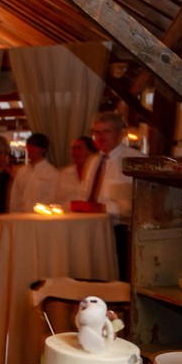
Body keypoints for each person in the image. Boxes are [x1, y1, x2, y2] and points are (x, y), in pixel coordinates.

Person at [72, 111, 134, 280]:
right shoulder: (94, 161)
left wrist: (100, 208)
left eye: (106, 131)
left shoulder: (133, 160)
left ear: (121, 133)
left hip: (120, 233)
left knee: (117, 279)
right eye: (96, 132)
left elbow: (134, 207)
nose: (100, 137)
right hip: (93, 230)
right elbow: (86, 194)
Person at [9, 132, 59, 211]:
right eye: (29, 147)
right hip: (21, 219)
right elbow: (15, 198)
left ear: (43, 149)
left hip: (42, 219)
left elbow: (53, 199)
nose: (30, 150)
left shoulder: (52, 173)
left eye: (34, 147)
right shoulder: (22, 172)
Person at [55, 135, 99, 207]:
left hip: (90, 216)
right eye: (73, 149)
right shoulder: (64, 173)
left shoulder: (97, 173)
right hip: (67, 215)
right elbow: (57, 200)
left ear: (91, 152)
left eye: (79, 148)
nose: (75, 152)